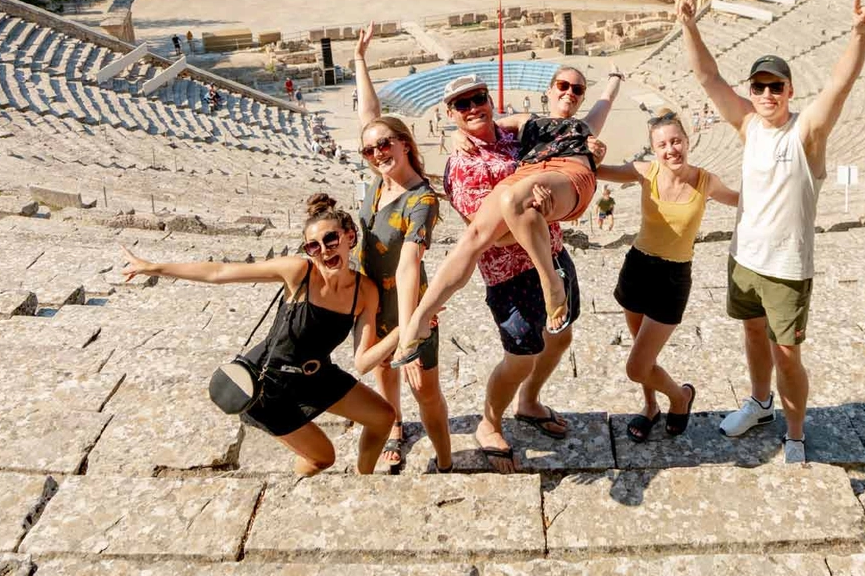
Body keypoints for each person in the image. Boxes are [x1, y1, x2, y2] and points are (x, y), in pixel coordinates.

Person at [677, 0, 865, 465]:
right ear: (751, 92)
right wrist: (689, 25)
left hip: (788, 265)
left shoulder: (806, 133)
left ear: (790, 91)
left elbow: (839, 86)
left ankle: (794, 433)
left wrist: (859, 35)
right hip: (744, 256)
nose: (767, 94)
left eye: (776, 86)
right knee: (752, 335)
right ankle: (760, 403)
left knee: (787, 353)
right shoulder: (749, 126)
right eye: (759, 87)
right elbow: (708, 77)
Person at [398, 69, 618, 470]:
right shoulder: (459, 167)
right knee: (519, 357)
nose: (472, 108)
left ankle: (529, 401)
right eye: (462, 104)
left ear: (490, 101)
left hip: (553, 252)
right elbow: (485, 234)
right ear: (451, 113)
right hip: (509, 275)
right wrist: (527, 216)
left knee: (561, 338)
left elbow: (562, 142)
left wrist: (590, 153)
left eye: (477, 99)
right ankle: (488, 421)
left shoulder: (517, 137)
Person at [118, 195, 397, 475]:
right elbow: (220, 272)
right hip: (269, 384)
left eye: (331, 240)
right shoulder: (299, 271)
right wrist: (153, 267)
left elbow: (362, 363)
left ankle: (365, 479)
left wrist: (405, 330)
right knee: (322, 458)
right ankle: (293, 489)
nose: (324, 250)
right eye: (313, 245)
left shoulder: (365, 291)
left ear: (350, 236)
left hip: (317, 375)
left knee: (383, 417)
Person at [394, 65, 623, 356]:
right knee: (475, 233)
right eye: (563, 86)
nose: (569, 93)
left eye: (577, 90)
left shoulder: (584, 129)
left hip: (567, 174)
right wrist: (456, 133)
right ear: (549, 90)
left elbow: (606, 102)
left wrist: (615, 80)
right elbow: (489, 122)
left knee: (513, 201)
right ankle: (419, 320)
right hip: (529, 183)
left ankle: (550, 281)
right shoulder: (527, 123)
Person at [597, 111, 738, 441]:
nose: (671, 149)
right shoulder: (645, 172)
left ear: (687, 142)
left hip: (673, 278)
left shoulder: (706, 181)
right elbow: (597, 170)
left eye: (676, 141)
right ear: (653, 149)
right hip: (637, 268)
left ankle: (679, 397)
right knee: (641, 351)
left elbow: (741, 201)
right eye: (662, 144)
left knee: (636, 366)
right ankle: (650, 407)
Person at [352, 24, 453, 473]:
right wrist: (359, 60)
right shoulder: (379, 181)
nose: (376, 153)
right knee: (384, 375)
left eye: (385, 145)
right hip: (371, 299)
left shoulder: (422, 199)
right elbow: (369, 118)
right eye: (370, 150)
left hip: (409, 305)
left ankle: (447, 458)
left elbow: (411, 261)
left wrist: (411, 333)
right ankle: (394, 427)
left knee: (424, 388)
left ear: (405, 144)